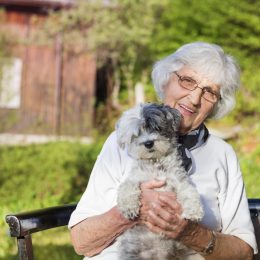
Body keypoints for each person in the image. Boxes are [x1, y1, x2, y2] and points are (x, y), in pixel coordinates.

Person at [69, 42, 258, 259]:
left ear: (216, 104)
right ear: (166, 79)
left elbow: (243, 253)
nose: (195, 99)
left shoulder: (222, 154)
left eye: (209, 92)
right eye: (188, 81)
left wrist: (191, 233)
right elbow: (81, 242)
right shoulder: (124, 140)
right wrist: (130, 213)